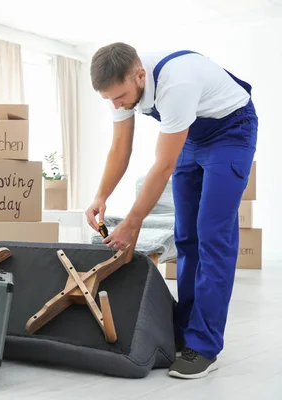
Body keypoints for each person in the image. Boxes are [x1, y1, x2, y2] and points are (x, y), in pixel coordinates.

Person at [85, 43, 257, 379]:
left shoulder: (176, 84)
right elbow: (121, 146)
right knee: (186, 237)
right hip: (193, 134)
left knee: (212, 235)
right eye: (110, 100)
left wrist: (132, 225)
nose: (117, 105)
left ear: (139, 75)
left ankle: (204, 346)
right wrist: (101, 196)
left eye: (120, 96)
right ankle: (185, 329)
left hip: (231, 131)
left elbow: (163, 166)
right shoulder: (122, 86)